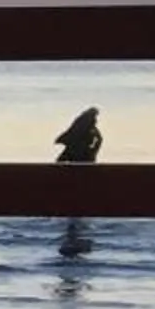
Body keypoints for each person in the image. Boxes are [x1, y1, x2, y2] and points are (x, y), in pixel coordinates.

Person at [53, 106, 100, 258]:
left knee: (75, 208)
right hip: (79, 169)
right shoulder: (85, 132)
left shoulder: (85, 131)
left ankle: (73, 225)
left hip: (78, 170)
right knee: (76, 205)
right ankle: (74, 225)